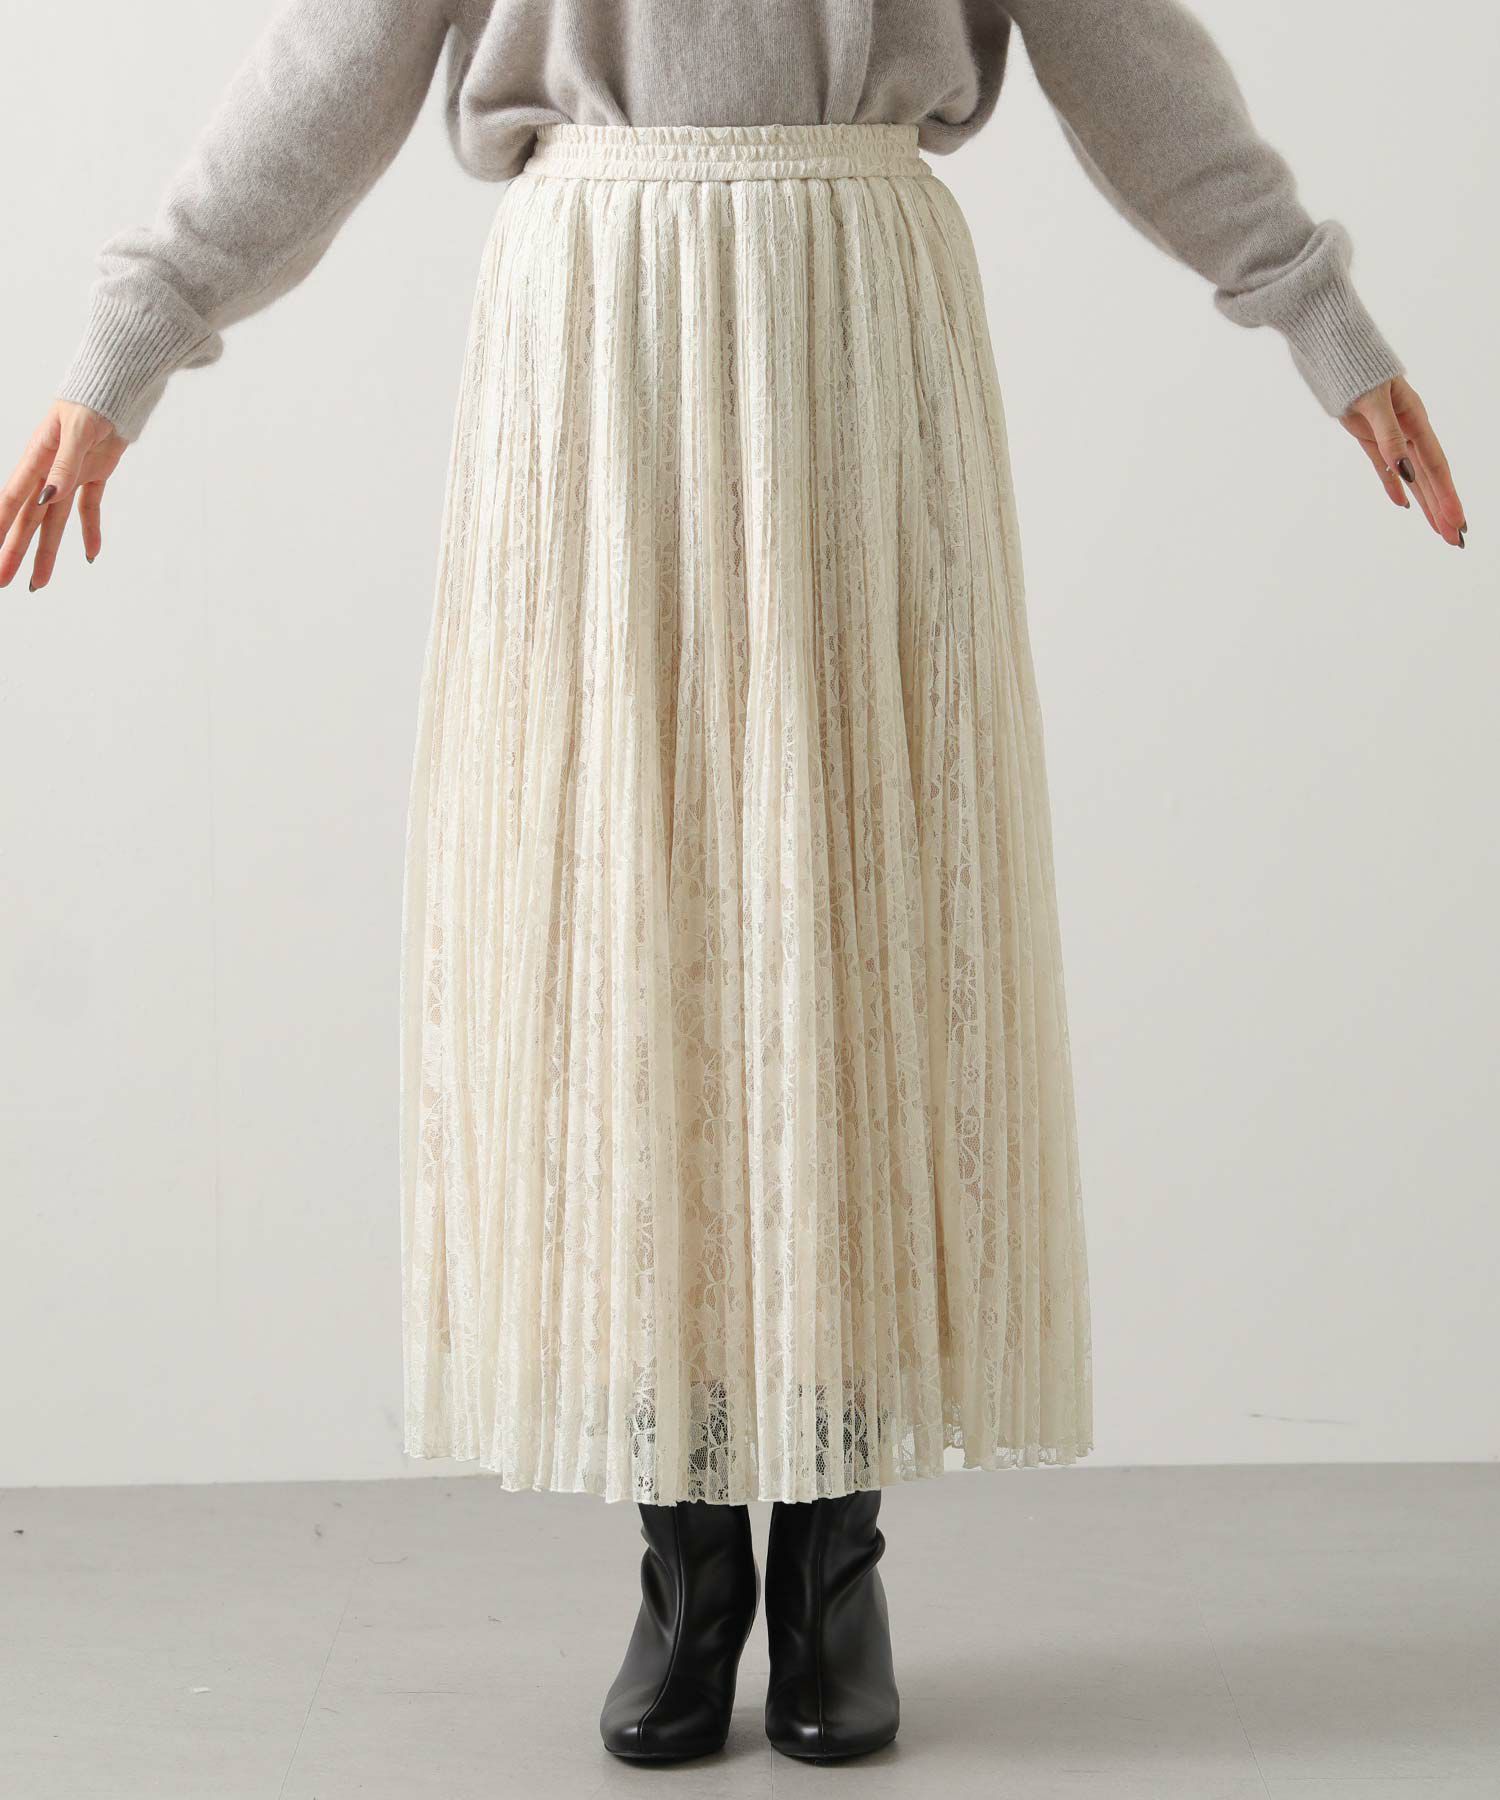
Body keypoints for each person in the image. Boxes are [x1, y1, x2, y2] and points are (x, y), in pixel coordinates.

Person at [1, 0, 1467, 1770]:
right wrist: (134, 338)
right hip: (600, 330)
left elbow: (1119, 44)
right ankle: (688, 1563)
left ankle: (833, 1560)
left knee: (854, 946)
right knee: (634, 953)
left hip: (855, 336)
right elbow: (335, 64)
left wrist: (1311, 304)